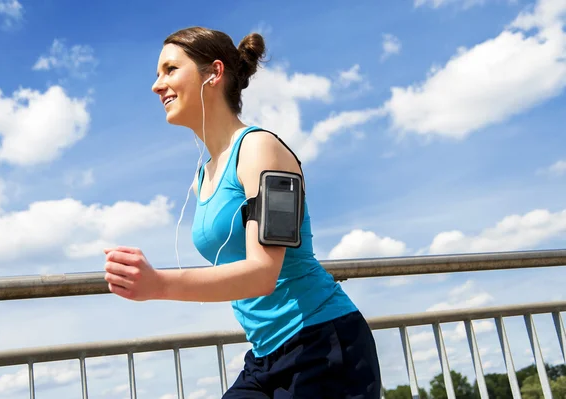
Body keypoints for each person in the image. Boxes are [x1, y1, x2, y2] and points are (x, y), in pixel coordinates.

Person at [103, 26, 381, 398]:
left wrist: (158, 284)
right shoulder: (203, 176)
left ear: (213, 74)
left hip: (323, 344)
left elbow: (263, 273)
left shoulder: (261, 150)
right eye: (158, 74)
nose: (157, 85)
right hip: (266, 355)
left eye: (170, 70)